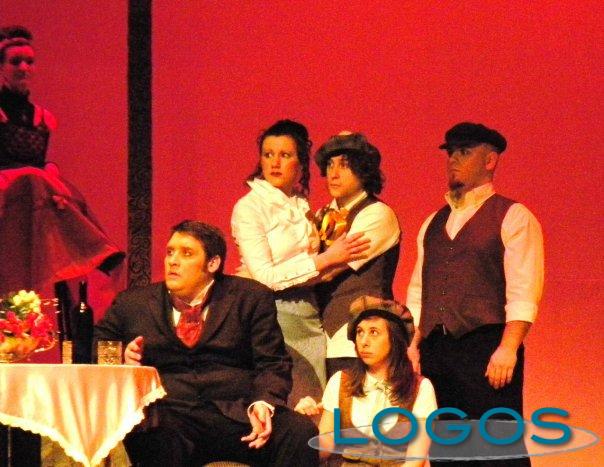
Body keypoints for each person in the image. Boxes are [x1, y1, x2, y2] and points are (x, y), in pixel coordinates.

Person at [95, 220, 318, 466]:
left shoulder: (250, 297)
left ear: (213, 263)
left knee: (299, 432)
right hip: (171, 416)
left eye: (186, 253)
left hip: (237, 416)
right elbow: (94, 347)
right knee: (151, 431)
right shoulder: (133, 303)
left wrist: (263, 402)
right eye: (170, 252)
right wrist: (122, 359)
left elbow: (273, 362)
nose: (173, 261)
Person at [405, 122, 544, 466]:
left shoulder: (512, 216)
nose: (453, 159)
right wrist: (413, 343)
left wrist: (508, 348)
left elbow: (524, 288)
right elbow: (419, 290)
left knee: (496, 446)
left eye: (465, 152)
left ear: (490, 160)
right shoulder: (432, 223)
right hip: (438, 349)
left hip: (486, 347)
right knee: (446, 447)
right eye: (451, 152)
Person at [231, 120, 369, 406]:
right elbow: (266, 277)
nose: (275, 163)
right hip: (272, 316)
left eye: (285, 155)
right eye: (268, 154)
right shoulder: (250, 207)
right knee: (286, 402)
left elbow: (306, 269)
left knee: (316, 403)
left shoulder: (300, 204)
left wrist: (326, 266)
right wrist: (327, 259)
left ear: (300, 163)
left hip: (309, 313)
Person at [0, 25, 124, 292]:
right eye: (15, 62)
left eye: (29, 62)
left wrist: (51, 171)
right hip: (6, 189)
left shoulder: (41, 117)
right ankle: (95, 250)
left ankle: (96, 250)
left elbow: (40, 160)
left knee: (61, 190)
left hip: (31, 192)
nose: (24, 68)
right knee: (33, 179)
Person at [295, 295, 437, 466]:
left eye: (374, 332)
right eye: (359, 332)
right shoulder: (341, 381)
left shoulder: (420, 388)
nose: (363, 341)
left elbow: (415, 461)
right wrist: (301, 425)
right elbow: (324, 448)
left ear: (394, 338)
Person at [314, 132, 401, 378]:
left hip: (360, 339)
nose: (334, 173)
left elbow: (327, 272)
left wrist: (278, 278)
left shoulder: (377, 214)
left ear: (363, 170)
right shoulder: (320, 216)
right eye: (330, 165)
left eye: (344, 165)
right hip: (320, 339)